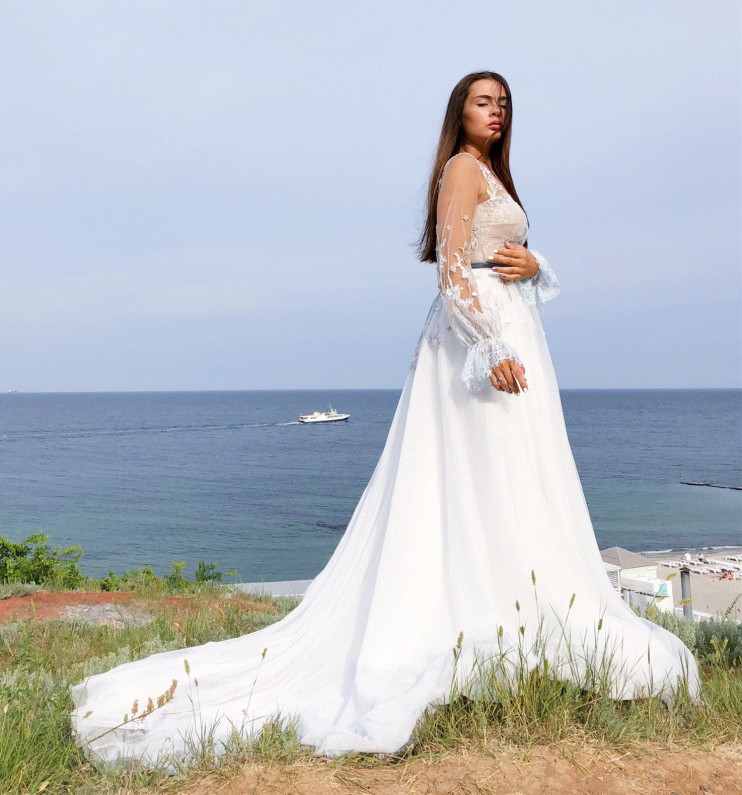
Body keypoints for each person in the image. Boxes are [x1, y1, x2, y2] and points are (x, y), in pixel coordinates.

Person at [70, 70, 700, 768]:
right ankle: (479, 620)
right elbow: (452, 269)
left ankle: (513, 614)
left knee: (510, 479)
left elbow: (500, 258)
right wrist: (489, 344)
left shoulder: (492, 170)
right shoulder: (461, 169)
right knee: (478, 476)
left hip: (507, 327)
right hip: (477, 341)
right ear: (459, 113)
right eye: (483, 102)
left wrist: (534, 264)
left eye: (503, 104)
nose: (496, 112)